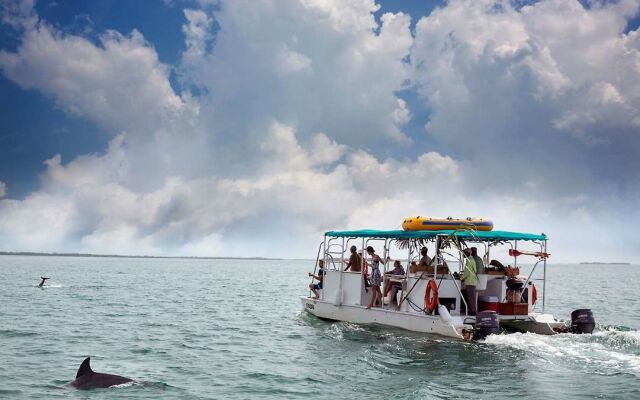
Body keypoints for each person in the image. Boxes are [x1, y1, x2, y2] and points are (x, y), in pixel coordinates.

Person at [461, 248, 478, 315]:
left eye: (464, 253)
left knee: (471, 297)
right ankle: (472, 310)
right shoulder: (471, 260)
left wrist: (461, 278)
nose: (463, 254)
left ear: (467, 253)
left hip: (470, 282)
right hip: (472, 281)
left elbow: (467, 272)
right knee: (471, 297)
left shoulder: (469, 260)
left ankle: (473, 311)